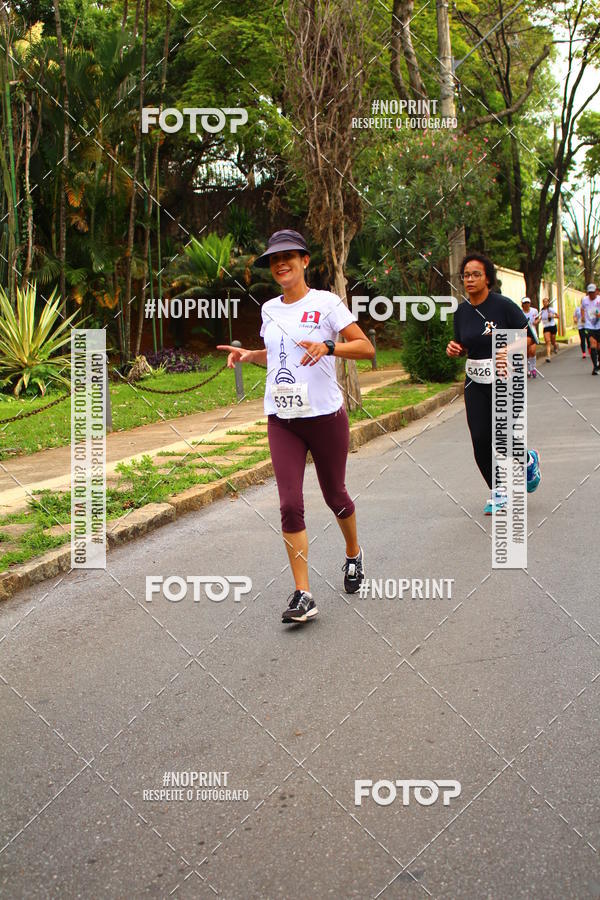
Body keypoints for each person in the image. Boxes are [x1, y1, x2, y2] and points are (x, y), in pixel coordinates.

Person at [218, 229, 374, 624]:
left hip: (324, 418)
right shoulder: (270, 309)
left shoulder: (326, 304)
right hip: (282, 420)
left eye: (288, 256)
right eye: (274, 259)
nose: (281, 263)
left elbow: (366, 347)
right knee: (289, 503)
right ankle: (303, 593)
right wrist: (249, 353)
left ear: (305, 260)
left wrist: (330, 346)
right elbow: (276, 355)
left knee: (335, 495)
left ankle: (353, 553)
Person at [446, 252, 541, 515]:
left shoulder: (504, 306)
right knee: (479, 437)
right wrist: (455, 348)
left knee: (505, 438)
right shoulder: (462, 311)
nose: (470, 279)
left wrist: (508, 350)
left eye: (476, 274)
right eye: (466, 275)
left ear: (488, 278)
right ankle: (498, 491)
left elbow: (530, 341)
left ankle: (528, 460)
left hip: (504, 379)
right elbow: (464, 344)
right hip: (475, 379)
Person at [582, 283, 600, 375]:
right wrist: (582, 317)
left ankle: (598, 363)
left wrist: (598, 315)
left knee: (599, 347)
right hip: (589, 326)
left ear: (596, 291)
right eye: (590, 293)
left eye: (593, 292)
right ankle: (595, 367)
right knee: (593, 345)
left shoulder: (599, 300)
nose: (591, 294)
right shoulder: (585, 300)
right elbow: (582, 308)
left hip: (599, 326)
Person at [521, 298, 540, 378]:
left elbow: (537, 319)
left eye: (528, 303)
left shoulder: (534, 311)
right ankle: (528, 369)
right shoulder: (520, 312)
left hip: (532, 333)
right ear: (522, 304)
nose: (526, 304)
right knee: (526, 352)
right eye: (525, 303)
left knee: (532, 351)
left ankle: (533, 368)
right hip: (523, 334)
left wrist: (537, 322)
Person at [540, 297, 559, 362]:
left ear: (548, 302)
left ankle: (555, 345)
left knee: (553, 341)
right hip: (546, 327)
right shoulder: (541, 311)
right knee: (548, 342)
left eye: (546, 301)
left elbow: (558, 316)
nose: (545, 303)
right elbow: (540, 318)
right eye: (544, 302)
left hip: (552, 326)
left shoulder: (551, 309)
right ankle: (548, 356)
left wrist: (552, 316)